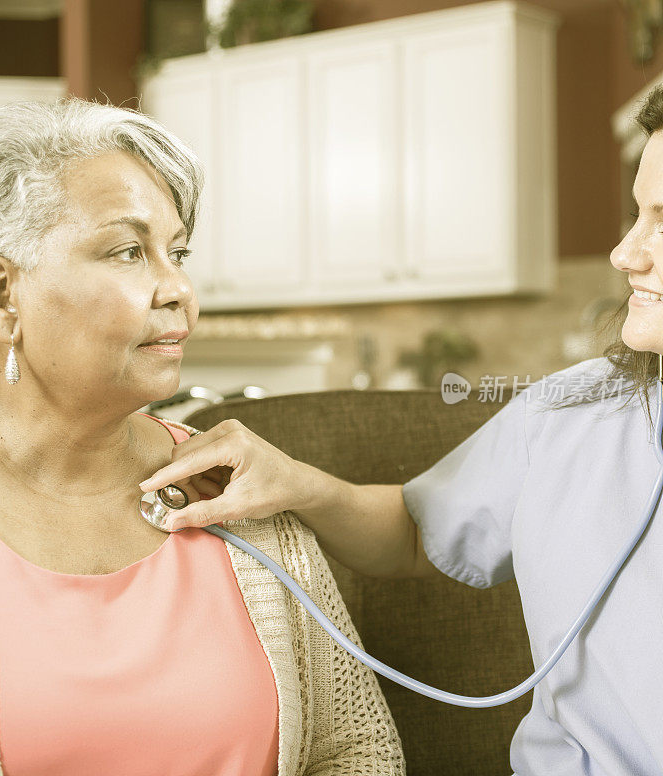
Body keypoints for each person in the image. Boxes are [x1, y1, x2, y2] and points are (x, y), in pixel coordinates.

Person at [0, 99, 403, 776]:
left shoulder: (242, 489)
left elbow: (355, 749)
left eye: (175, 252)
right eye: (127, 251)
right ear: (2, 297)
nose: (179, 288)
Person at [140, 87, 663, 775]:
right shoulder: (570, 412)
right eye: (637, 213)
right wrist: (296, 484)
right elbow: (416, 533)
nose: (626, 253)